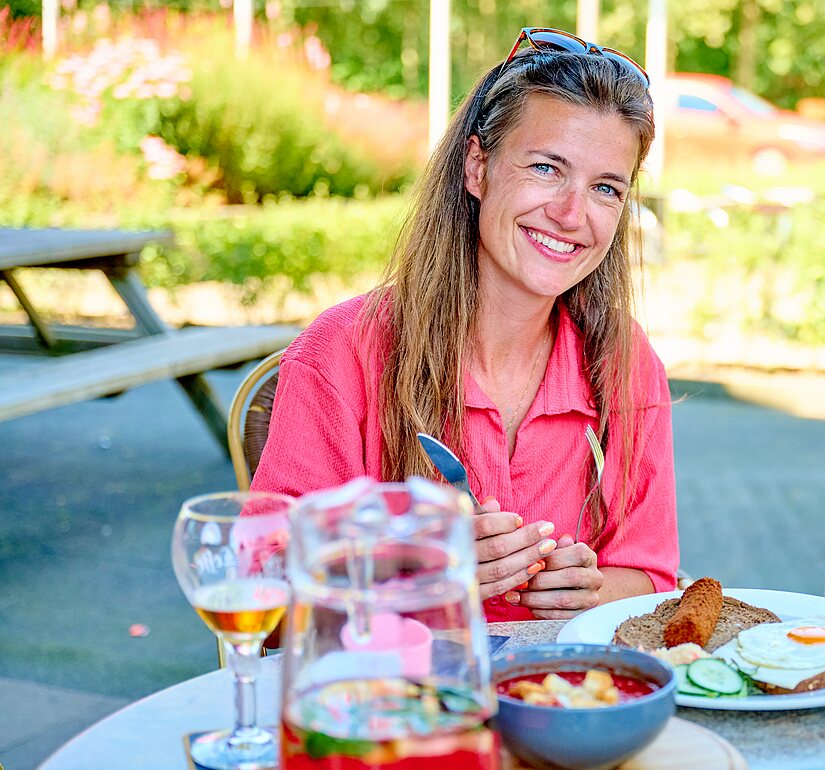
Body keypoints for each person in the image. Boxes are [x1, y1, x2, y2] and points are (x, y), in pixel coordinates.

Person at [251, 28, 678, 622]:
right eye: (547, 169)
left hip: (565, 703)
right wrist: (411, 571)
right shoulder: (341, 353)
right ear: (477, 168)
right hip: (391, 703)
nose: (572, 214)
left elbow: (651, 577)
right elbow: (261, 592)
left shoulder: (624, 361)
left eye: (606, 188)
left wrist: (588, 592)